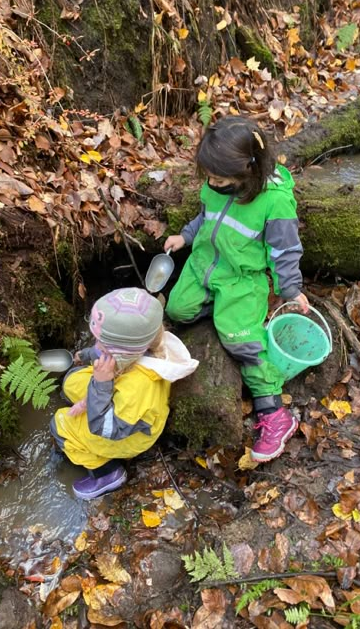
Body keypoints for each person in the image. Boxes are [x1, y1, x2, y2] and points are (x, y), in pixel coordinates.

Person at [164, 117, 309, 463]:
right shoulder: (215, 187)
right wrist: (185, 236)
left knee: (239, 339)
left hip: (242, 279)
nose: (211, 183)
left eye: (219, 177)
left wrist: (290, 289)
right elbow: (205, 218)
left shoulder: (275, 203)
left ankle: (273, 412)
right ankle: (219, 311)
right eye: (209, 176)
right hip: (204, 265)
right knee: (177, 310)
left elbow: (285, 251)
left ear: (249, 169)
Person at [51, 287, 198, 500]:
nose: (97, 346)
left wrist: (100, 386)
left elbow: (105, 428)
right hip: (118, 394)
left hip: (126, 433)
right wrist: (87, 355)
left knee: (60, 424)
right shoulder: (144, 343)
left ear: (123, 352)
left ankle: (106, 473)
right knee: (71, 381)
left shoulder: (138, 388)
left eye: (103, 345)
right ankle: (93, 397)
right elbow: (109, 351)